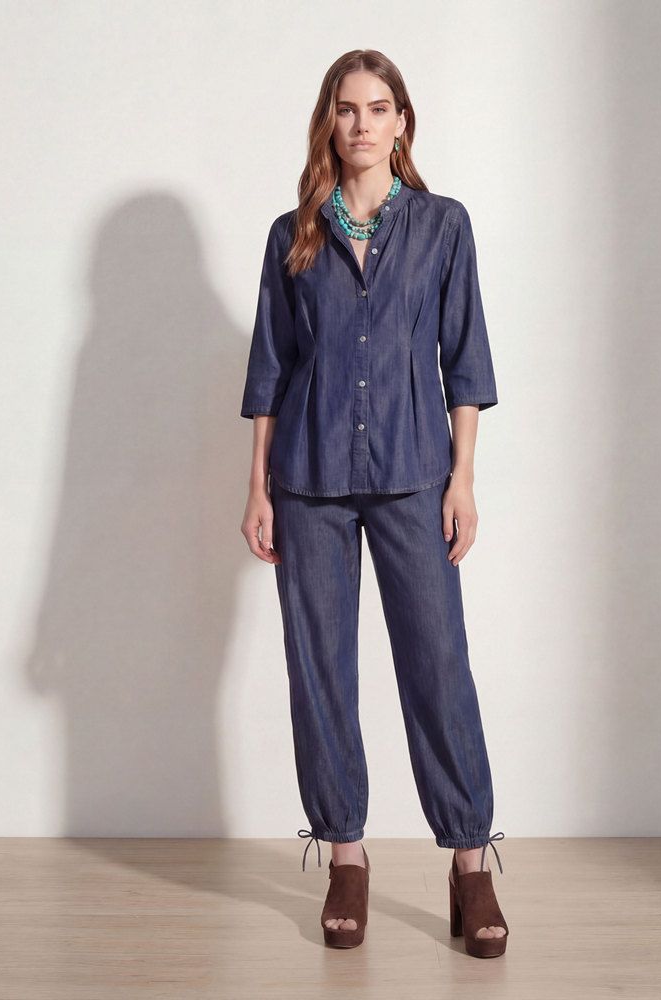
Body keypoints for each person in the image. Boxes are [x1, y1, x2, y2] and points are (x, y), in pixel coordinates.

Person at [240, 49, 509, 959]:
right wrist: (257, 489)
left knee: (438, 663)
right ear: (330, 121)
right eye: (347, 108)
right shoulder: (293, 234)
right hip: (307, 479)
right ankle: (346, 859)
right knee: (320, 671)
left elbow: (465, 361)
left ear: (402, 123)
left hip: (414, 474)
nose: (361, 123)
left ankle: (469, 864)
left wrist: (462, 479)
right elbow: (270, 371)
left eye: (378, 107)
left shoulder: (442, 226)